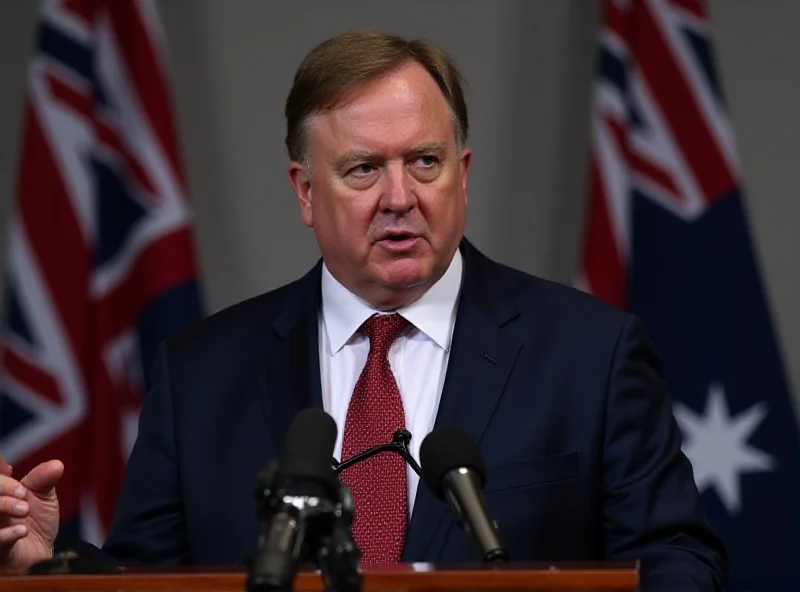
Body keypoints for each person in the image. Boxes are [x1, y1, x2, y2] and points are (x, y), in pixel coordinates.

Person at [0, 29, 726, 589]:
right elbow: (153, 583)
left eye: (424, 161)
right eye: (362, 169)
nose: (400, 197)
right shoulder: (201, 374)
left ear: (462, 175)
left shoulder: (591, 354)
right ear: (305, 193)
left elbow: (677, 563)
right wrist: (48, 558)